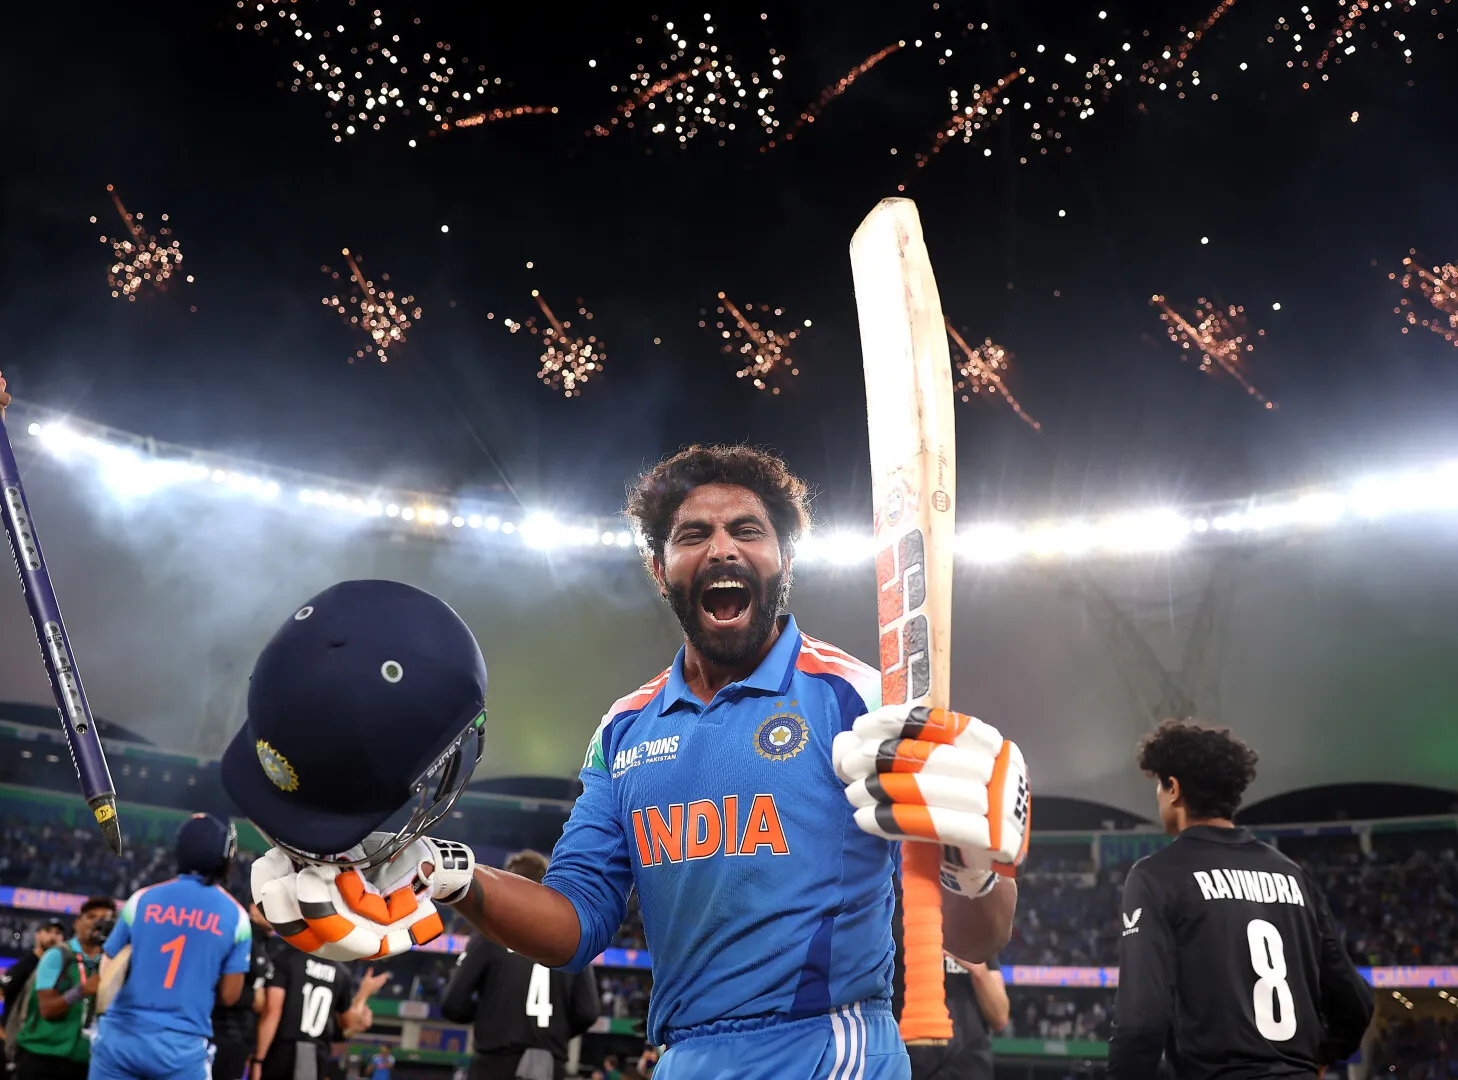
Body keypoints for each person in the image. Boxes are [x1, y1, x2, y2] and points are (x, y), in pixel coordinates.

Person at [223, 448, 1031, 1080]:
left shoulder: (862, 701)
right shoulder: (623, 728)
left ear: (783, 559)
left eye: (747, 531)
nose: (722, 548)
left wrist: (974, 860)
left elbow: (974, 938)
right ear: (661, 570)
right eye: (693, 536)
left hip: (827, 1050)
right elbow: (577, 921)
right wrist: (448, 875)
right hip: (683, 1056)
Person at [1107, 720, 1374, 1079]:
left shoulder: (1157, 875)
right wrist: (1322, 1055)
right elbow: (1355, 1003)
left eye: (1159, 783)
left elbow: (1141, 1022)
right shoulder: (1292, 875)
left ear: (1174, 789)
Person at [89, 813, 253, 1080]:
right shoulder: (236, 918)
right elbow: (229, 995)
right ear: (226, 857)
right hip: (181, 1050)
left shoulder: (142, 899)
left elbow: (109, 966)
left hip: (120, 1039)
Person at [440, 850, 601, 1080]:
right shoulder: (570, 937)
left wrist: (491, 1016)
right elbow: (587, 1011)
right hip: (549, 1063)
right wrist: (556, 1030)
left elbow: (453, 1003)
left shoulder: (488, 934)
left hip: (495, 1062)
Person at [893, 887, 1009, 1080]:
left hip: (968, 1062)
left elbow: (1000, 1017)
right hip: (909, 1057)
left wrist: (977, 968)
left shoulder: (974, 923)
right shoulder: (893, 913)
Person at [12, 896, 116, 1080]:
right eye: (91, 917)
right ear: (77, 923)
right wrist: (81, 991)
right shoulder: (58, 956)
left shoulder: (113, 963)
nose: (98, 923)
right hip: (43, 1057)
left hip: (87, 1060)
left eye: (105, 919)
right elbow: (48, 1010)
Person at [251, 944, 386, 1080]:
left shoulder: (287, 958)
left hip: (282, 1049)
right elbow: (349, 1021)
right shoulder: (341, 972)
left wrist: (258, 1059)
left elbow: (272, 1012)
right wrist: (364, 992)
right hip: (316, 1053)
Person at [212, 903, 282, 1080]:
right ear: (253, 909)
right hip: (225, 1031)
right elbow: (223, 989)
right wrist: (253, 996)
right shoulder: (244, 935)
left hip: (244, 1035)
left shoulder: (271, 945)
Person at [1, 918, 68, 1064]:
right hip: (17, 1038)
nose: (53, 937)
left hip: (44, 1042)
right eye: (48, 931)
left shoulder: (63, 969)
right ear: (37, 935)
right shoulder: (24, 966)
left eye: (58, 933)